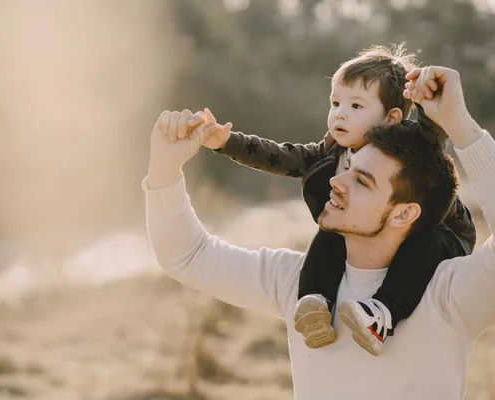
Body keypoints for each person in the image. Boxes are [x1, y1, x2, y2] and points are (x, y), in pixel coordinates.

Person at [143, 65, 495, 399]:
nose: (335, 182)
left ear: (404, 212)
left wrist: (461, 126)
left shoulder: (450, 294)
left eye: (361, 180)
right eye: (348, 167)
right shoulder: (298, 281)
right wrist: (164, 168)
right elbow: (186, 256)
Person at [190, 45, 476, 356]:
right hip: (379, 237)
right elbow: (281, 156)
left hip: (439, 234)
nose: (340, 113)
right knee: (329, 234)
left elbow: (432, 136)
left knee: (424, 246)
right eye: (336, 102)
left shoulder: (411, 146)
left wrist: (426, 101)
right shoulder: (333, 152)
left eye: (356, 105)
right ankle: (315, 303)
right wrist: (226, 142)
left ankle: (382, 314)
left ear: (391, 118)